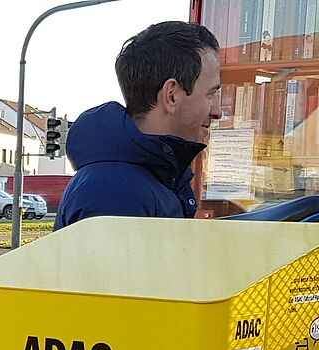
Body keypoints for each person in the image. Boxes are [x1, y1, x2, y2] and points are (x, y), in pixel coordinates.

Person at [55, 21, 222, 229]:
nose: (218, 111)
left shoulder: (141, 176)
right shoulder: (115, 192)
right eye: (211, 94)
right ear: (172, 95)